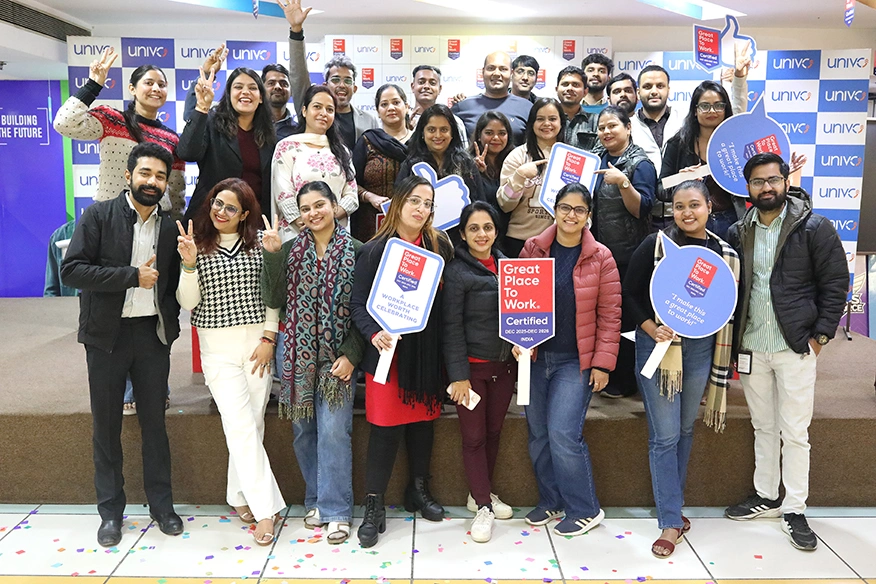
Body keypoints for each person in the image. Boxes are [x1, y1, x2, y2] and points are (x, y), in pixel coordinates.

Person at [60, 142, 183, 548]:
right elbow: (72, 270)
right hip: (106, 337)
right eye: (145, 173)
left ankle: (162, 507)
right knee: (106, 426)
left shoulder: (171, 227)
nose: (152, 181)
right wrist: (131, 276)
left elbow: (173, 286)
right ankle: (111, 513)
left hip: (152, 336)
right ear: (128, 176)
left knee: (155, 426)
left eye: (160, 176)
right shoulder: (98, 215)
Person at [724, 153, 848, 552]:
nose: (766, 187)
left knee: (795, 432)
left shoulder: (814, 227)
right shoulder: (738, 231)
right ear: (748, 188)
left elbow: (835, 284)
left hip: (795, 345)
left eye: (773, 180)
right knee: (763, 426)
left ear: (785, 181)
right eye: (758, 182)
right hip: (752, 346)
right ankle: (766, 496)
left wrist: (820, 337)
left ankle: (794, 508)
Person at [623, 180, 739, 558]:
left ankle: (672, 503)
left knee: (685, 429)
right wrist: (650, 328)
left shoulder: (725, 255)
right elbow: (629, 293)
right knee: (666, 435)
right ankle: (671, 520)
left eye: (694, 205)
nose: (686, 213)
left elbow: (728, 306)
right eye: (679, 206)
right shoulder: (656, 245)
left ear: (709, 207)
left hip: (702, 349)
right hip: (659, 347)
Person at [175, 178, 286, 546]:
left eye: (230, 208)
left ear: (244, 214)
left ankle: (238, 494)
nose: (220, 212)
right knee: (239, 425)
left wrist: (269, 337)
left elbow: (273, 296)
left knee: (252, 423)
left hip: (257, 344)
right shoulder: (196, 245)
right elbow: (188, 303)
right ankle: (266, 510)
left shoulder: (261, 244)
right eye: (216, 203)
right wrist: (189, 264)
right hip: (217, 348)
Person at [351, 175, 455, 548]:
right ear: (397, 202)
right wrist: (373, 333)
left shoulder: (440, 246)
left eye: (428, 204)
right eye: (414, 200)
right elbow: (357, 304)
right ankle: (374, 505)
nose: (421, 209)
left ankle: (418, 490)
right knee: (384, 428)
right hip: (387, 356)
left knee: (424, 423)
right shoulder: (374, 250)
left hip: (425, 354)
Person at [262, 181, 365, 545]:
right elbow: (273, 297)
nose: (313, 213)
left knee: (335, 430)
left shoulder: (358, 251)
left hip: (339, 358)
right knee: (304, 431)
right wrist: (273, 255)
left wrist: (352, 354)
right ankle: (316, 500)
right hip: (296, 358)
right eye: (305, 209)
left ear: (334, 206)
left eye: (319, 205)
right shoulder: (289, 250)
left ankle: (336, 510)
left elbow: (364, 311)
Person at [519, 183, 621, 536]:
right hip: (535, 358)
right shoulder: (533, 248)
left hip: (575, 362)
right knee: (538, 434)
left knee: (563, 433)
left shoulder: (601, 257)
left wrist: (603, 363)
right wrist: (517, 340)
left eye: (579, 209)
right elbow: (517, 301)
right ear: (555, 209)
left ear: (588, 215)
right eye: (565, 207)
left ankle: (584, 508)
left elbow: (611, 315)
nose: (571, 215)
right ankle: (551, 500)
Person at [443, 201, 516, 543]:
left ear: (496, 231)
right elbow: (451, 328)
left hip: (504, 367)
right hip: (471, 372)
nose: (481, 234)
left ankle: (480, 492)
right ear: (462, 234)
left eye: (487, 227)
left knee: (494, 431)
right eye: (474, 228)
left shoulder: (509, 267)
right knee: (473, 437)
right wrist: (458, 376)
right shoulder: (457, 272)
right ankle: (483, 507)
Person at [53, 47, 186, 217]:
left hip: (157, 219)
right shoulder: (112, 120)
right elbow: (64, 123)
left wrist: (175, 225)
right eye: (149, 83)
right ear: (132, 88)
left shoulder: (172, 139)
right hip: (111, 217)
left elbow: (176, 191)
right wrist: (93, 85)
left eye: (162, 85)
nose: (156, 89)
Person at [591, 105, 658, 398]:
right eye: (602, 127)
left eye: (612, 126)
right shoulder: (595, 159)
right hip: (599, 253)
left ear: (628, 128)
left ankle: (627, 381)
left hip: (629, 256)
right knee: (604, 316)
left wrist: (623, 182)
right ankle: (606, 374)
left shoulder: (641, 164)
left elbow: (642, 209)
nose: (606, 132)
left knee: (627, 317)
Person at [658, 47, 751, 237]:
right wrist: (680, 181)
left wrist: (740, 77)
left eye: (718, 105)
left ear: (726, 109)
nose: (712, 111)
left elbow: (740, 106)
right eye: (705, 106)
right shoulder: (678, 143)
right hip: (690, 223)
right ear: (695, 110)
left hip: (732, 222)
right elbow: (660, 190)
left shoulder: (735, 142)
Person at [178, 66, 277, 223]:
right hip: (209, 221)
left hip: (252, 223)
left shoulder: (271, 136)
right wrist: (202, 107)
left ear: (261, 98)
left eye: (252, 88)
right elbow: (187, 153)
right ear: (229, 95)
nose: (245, 92)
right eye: (238, 87)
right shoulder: (211, 122)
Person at [272, 85, 358, 241]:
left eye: (329, 109)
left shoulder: (342, 151)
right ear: (304, 111)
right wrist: (309, 224)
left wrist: (328, 221)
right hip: (297, 235)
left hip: (336, 236)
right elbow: (284, 193)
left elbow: (351, 196)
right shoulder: (287, 147)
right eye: (317, 107)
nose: (323, 113)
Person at [395, 104, 484, 244]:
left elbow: (479, 201)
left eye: (444, 130)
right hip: (419, 240)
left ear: (452, 133)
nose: (437, 135)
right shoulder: (411, 165)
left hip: (461, 239)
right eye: (431, 130)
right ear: (422, 133)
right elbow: (398, 204)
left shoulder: (466, 163)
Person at [183, 43, 302, 141]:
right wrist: (207, 74)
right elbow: (192, 117)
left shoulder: (298, 132)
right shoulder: (242, 122)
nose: (278, 87)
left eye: (284, 83)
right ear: (261, 91)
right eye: (271, 83)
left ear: (292, 91)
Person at [496, 98, 567, 258]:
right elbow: (504, 205)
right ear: (532, 123)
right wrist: (519, 177)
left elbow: (583, 203)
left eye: (552, 119)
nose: (546, 124)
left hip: (561, 241)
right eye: (540, 119)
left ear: (561, 123)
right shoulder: (517, 156)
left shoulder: (572, 157)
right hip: (519, 240)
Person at [352, 83, 411, 242]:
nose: (391, 108)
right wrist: (370, 197)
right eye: (384, 104)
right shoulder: (368, 141)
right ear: (378, 111)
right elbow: (350, 184)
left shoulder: (419, 143)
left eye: (396, 102)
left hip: (411, 226)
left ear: (406, 107)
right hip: (370, 228)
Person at [452, 51, 532, 146]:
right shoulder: (463, 107)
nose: (496, 73)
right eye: (491, 68)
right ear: (483, 72)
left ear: (511, 73)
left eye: (503, 69)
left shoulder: (527, 108)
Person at [469, 111, 514, 240]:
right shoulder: (467, 163)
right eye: (489, 133)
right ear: (479, 135)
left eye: (502, 133)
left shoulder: (516, 161)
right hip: (482, 235)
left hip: (511, 234)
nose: (496, 138)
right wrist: (475, 173)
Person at [408, 65, 468, 144]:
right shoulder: (403, 120)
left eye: (432, 83)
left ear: (440, 89)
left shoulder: (454, 121)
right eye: (421, 82)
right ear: (413, 87)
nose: (426, 86)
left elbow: (463, 149)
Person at [555, 66, 598, 151]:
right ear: (557, 89)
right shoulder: (547, 120)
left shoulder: (596, 121)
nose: (569, 88)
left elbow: (601, 150)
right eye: (565, 84)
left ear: (585, 92)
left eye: (575, 85)